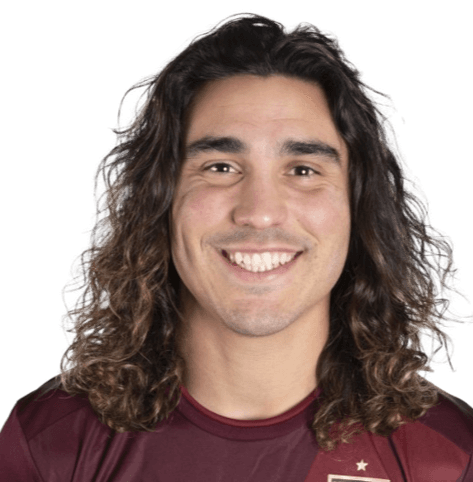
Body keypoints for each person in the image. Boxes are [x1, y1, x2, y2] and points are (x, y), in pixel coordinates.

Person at [1, 12, 473, 482]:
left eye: (303, 170)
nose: (260, 212)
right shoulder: (49, 447)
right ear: (159, 200)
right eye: (221, 167)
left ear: (360, 207)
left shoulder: (448, 457)